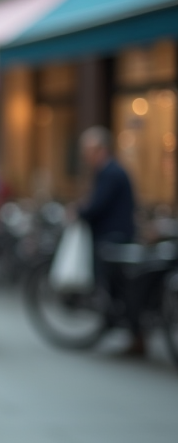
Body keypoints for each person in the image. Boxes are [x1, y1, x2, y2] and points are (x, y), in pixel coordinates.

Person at [76, 125, 142, 354]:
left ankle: (132, 330)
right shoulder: (109, 171)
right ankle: (122, 326)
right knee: (118, 286)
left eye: (87, 150)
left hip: (114, 237)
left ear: (99, 149)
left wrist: (79, 212)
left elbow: (98, 205)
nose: (85, 156)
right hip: (115, 235)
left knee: (120, 287)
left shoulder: (110, 172)